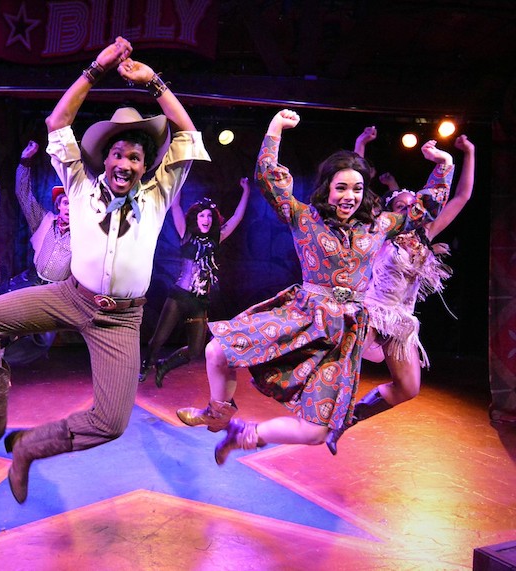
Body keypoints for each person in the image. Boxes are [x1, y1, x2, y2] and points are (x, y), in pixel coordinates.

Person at [0, 36, 210, 503]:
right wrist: (96, 69)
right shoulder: (78, 181)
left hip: (122, 318)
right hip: (70, 295)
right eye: (118, 154)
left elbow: (188, 136)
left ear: (145, 166)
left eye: (136, 158)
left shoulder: (157, 194)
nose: (125, 163)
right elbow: (57, 121)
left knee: (112, 422)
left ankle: (27, 448)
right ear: (106, 157)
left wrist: (154, 83)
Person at [176, 109, 453, 465]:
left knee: (315, 432)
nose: (349, 196)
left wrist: (443, 163)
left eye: (357, 189)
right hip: (303, 313)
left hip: (343, 335)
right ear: (328, 188)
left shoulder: (379, 225)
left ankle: (247, 435)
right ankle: (219, 412)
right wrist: (275, 128)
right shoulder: (304, 217)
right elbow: (268, 179)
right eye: (341, 187)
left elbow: (425, 210)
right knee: (217, 351)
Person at [325, 133, 475, 454]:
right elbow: (357, 181)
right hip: (371, 309)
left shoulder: (426, 234)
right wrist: (361, 145)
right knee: (342, 352)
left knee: (408, 387)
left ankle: (349, 418)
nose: (408, 207)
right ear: (390, 211)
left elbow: (460, 197)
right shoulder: (381, 231)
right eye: (400, 204)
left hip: (401, 319)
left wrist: (469, 152)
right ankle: (318, 401)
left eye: (412, 204)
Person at [139, 178, 250, 387]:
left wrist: (246, 190)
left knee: (195, 350)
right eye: (202, 215)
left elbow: (237, 217)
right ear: (195, 219)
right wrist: (179, 180)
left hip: (199, 303)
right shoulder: (186, 234)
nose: (206, 219)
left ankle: (164, 365)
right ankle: (147, 364)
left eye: (209, 216)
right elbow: (176, 206)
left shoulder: (218, 237)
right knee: (158, 339)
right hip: (179, 297)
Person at [2, 140, 72, 365]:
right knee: (0, 308)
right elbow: (23, 194)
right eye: (65, 203)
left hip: (56, 291)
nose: (69, 208)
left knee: (43, 338)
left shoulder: (85, 234)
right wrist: (25, 162)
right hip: (30, 281)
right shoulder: (43, 220)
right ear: (59, 206)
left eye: (74, 204)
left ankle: (11, 360)